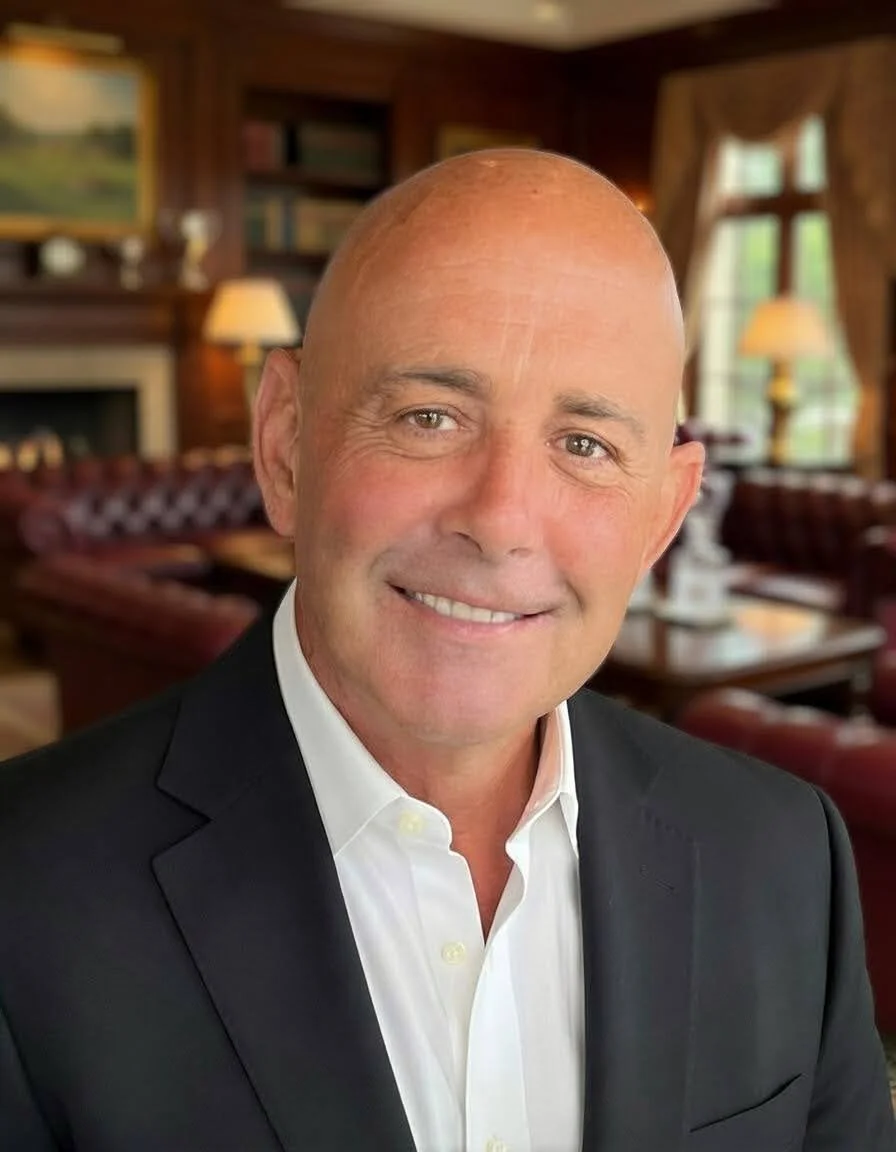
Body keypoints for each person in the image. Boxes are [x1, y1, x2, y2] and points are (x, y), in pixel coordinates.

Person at [0, 149, 892, 1152]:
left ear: (662, 512)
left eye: (584, 443)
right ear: (285, 443)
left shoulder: (782, 857)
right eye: (429, 417)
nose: (500, 520)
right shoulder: (23, 893)